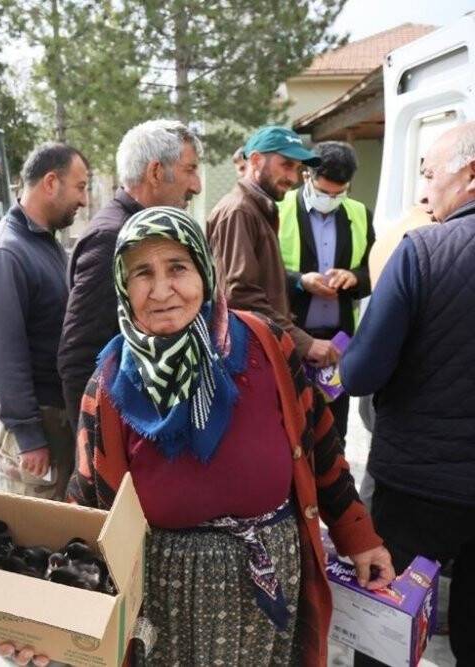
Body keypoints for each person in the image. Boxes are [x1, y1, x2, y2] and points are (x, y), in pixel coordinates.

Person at [67, 206, 392, 666]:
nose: (161, 290)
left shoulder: (266, 343)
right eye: (142, 273)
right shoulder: (110, 382)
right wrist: (61, 610)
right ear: (122, 284)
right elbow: (84, 505)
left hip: (272, 580)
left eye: (177, 268)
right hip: (166, 601)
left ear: (204, 269)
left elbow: (320, 445)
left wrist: (359, 536)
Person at [340, 121, 475, 666]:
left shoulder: (422, 251)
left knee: (386, 634)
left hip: (417, 486)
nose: (424, 191)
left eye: (429, 174)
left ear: (470, 175)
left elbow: (360, 374)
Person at [58, 120, 202, 428]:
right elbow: (79, 357)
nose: (197, 185)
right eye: (190, 170)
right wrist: (96, 446)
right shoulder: (112, 239)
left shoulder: (148, 233)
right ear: (155, 172)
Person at [0, 142, 89, 500]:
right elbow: (2, 356)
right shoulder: (4, 253)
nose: (84, 199)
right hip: (36, 429)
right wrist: (29, 435)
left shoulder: (41, 243)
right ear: (51, 182)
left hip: (55, 419)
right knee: (35, 526)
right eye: (80, 187)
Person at [207, 126, 335, 367]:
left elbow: (259, 279)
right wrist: (303, 342)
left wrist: (300, 281)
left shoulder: (258, 208)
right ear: (256, 160)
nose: (293, 178)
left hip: (263, 351)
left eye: (297, 169)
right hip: (247, 358)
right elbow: (240, 295)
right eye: (286, 165)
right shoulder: (239, 211)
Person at [278, 141, 376, 438]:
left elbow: (376, 270)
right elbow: (262, 275)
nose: (331, 199)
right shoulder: (278, 209)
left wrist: (354, 278)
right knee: (291, 429)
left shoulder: (360, 214)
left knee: (333, 433)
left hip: (338, 344)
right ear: (307, 176)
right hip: (291, 337)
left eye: (339, 193)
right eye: (323, 192)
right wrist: (300, 280)